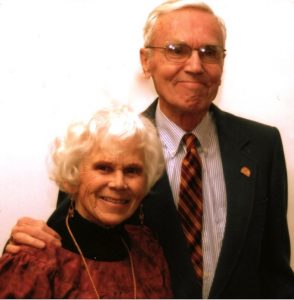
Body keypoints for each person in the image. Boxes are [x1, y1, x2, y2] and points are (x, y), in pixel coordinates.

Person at [4, 0, 294, 298]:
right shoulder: (103, 145)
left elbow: (274, 272)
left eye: (209, 52)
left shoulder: (261, 146)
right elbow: (64, 246)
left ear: (223, 62)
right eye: (176, 50)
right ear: (146, 61)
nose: (195, 66)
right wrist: (22, 247)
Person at [0, 106, 173, 298]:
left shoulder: (149, 251)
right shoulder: (34, 262)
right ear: (73, 173)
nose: (119, 183)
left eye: (132, 170)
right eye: (104, 167)